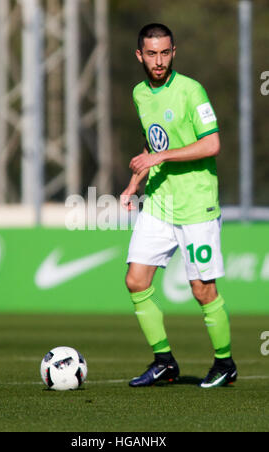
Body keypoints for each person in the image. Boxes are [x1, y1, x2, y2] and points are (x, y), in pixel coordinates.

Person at [121, 23, 237, 388]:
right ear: (140, 55)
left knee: (203, 289)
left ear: (174, 52)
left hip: (196, 204)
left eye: (165, 53)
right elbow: (152, 146)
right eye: (152, 54)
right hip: (158, 203)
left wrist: (161, 158)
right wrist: (132, 183)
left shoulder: (191, 90)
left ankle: (225, 364)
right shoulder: (140, 93)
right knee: (135, 280)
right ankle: (164, 362)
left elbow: (212, 144)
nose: (159, 61)